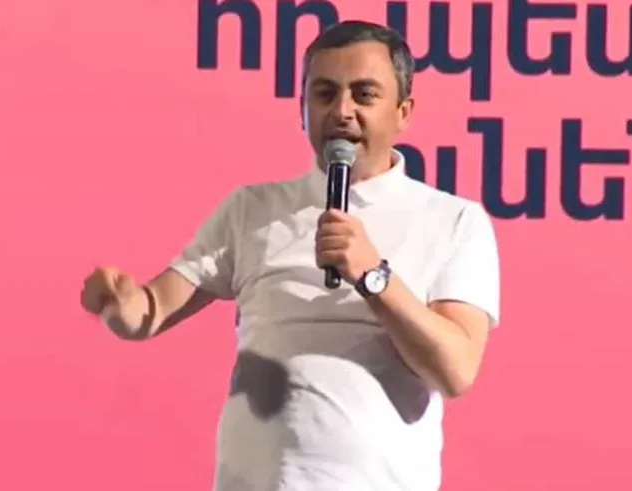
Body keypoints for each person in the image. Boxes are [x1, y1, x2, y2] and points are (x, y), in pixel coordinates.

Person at [80, 20, 500, 491]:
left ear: (403, 112)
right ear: (302, 109)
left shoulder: (452, 221)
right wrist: (119, 306)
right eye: (324, 94)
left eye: (364, 95)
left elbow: (455, 370)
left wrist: (373, 277)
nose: (342, 111)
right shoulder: (252, 210)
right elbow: (150, 311)